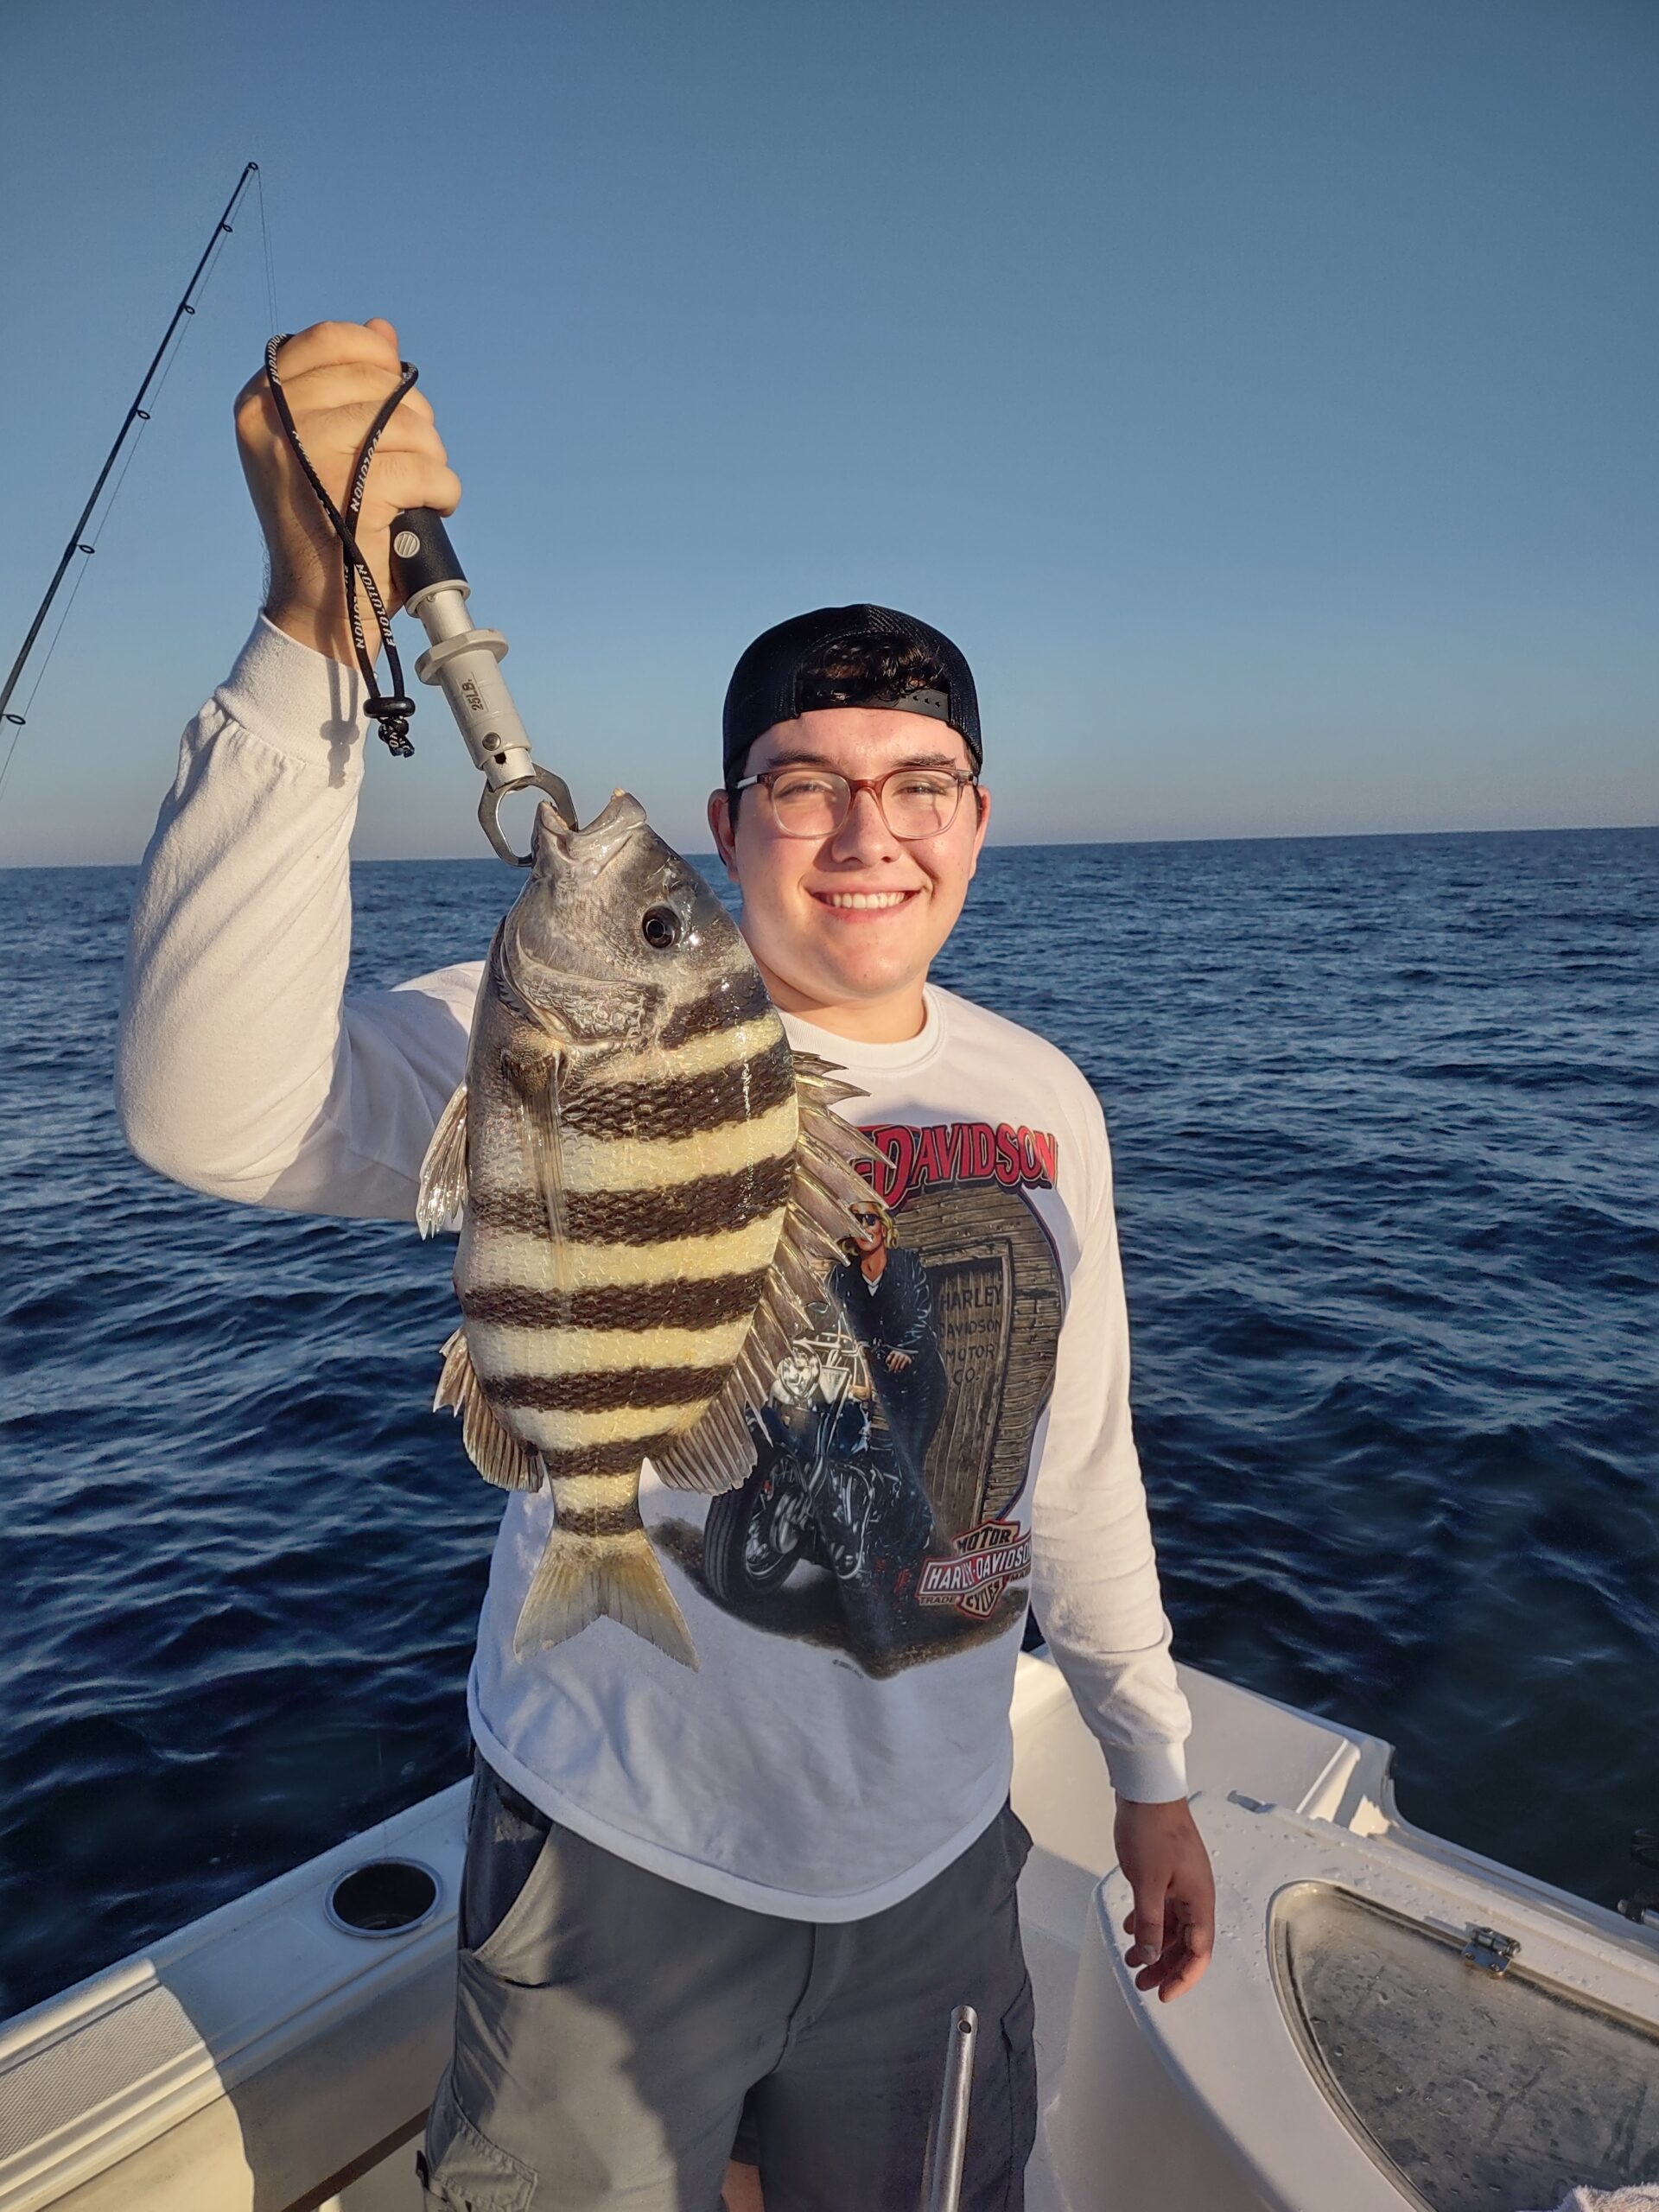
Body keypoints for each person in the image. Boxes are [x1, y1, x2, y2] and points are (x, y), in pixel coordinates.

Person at [117, 319, 1215, 2212]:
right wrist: (314, 621)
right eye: (803, 783)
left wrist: (1152, 1756)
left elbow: (1076, 1456)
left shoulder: (1045, 1093)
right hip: (617, 1847)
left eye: (921, 779)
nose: (868, 831)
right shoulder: (543, 1036)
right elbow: (209, 1110)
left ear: (977, 818)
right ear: (726, 828)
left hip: (937, 1861)